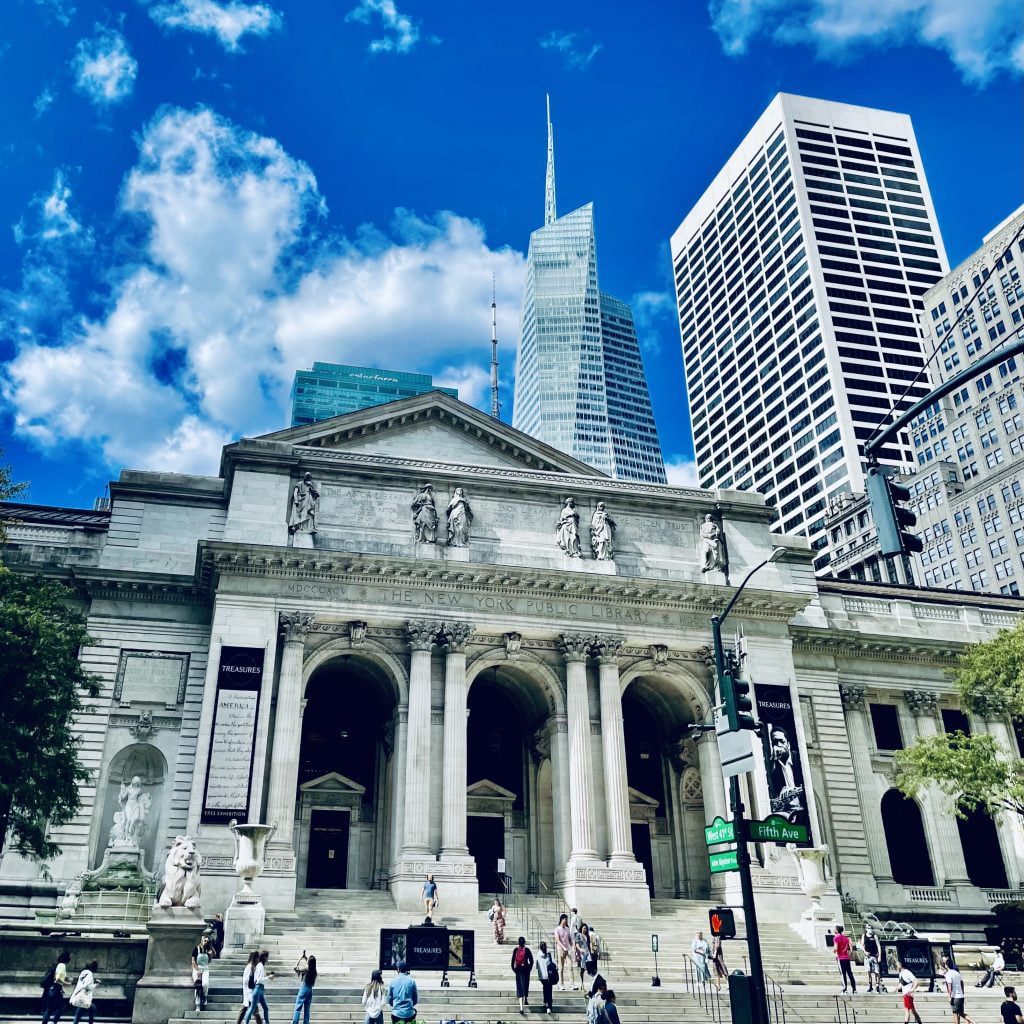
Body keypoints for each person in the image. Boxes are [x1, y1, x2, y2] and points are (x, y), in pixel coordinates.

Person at [41, 949, 72, 1024]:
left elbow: (54, 976)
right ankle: (54, 1022)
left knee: (49, 1009)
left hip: (49, 990)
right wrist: (67, 983)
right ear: (66, 958)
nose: (70, 959)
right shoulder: (62, 965)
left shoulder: (56, 965)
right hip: (55, 990)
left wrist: (66, 979)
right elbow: (58, 979)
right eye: (69, 957)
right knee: (62, 1006)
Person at [942, 957, 973, 1024]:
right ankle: (973, 1022)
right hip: (961, 996)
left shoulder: (948, 974)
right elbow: (962, 983)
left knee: (955, 1013)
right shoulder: (957, 973)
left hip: (955, 996)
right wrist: (962, 992)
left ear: (946, 965)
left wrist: (949, 996)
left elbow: (950, 985)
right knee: (961, 1013)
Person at [244, 952, 272, 1024]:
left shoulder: (260, 965)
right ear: (264, 957)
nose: (268, 958)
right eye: (267, 957)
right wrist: (268, 977)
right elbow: (258, 980)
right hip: (258, 989)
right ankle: (245, 1022)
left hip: (260, 990)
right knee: (252, 1009)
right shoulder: (260, 966)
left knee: (265, 1008)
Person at [192, 932, 216, 1009]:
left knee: (205, 984)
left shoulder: (208, 950)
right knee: (198, 986)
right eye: (205, 940)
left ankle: (204, 997)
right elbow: (193, 962)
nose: (206, 942)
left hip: (205, 968)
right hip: (198, 968)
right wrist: (197, 970)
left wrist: (211, 947)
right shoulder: (196, 949)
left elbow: (211, 958)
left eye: (207, 941)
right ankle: (197, 1004)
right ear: (202, 940)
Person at [291, 953, 317, 1024]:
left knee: (298, 1007)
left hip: (304, 988)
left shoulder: (306, 969)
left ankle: (295, 1022)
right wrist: (306, 958)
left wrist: (300, 958)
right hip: (310, 990)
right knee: (307, 1009)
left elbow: (295, 968)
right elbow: (310, 965)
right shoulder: (314, 971)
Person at [238, 952, 263, 1024]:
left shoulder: (252, 967)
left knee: (246, 1009)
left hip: (250, 991)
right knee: (254, 1010)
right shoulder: (249, 967)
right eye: (257, 958)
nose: (258, 960)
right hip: (249, 991)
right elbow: (246, 980)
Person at [512, 936, 534, 1014]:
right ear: (524, 942)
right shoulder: (527, 950)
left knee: (519, 986)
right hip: (525, 970)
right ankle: (526, 999)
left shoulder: (515, 950)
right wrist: (529, 969)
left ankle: (521, 1006)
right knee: (526, 984)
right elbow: (531, 960)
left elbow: (512, 961)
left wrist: (514, 970)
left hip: (518, 970)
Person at [897, 959, 922, 1024]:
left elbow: (915, 981)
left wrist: (912, 989)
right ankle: (919, 1021)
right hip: (905, 994)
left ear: (901, 964)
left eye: (897, 964)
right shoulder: (900, 973)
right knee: (912, 1010)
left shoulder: (907, 972)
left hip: (908, 994)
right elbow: (902, 984)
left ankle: (906, 1022)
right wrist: (897, 988)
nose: (896, 965)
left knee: (907, 1009)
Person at [833, 925, 856, 994]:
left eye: (834, 929)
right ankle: (854, 989)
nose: (834, 930)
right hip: (847, 958)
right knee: (849, 973)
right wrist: (850, 955)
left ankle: (844, 989)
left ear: (837, 930)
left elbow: (836, 948)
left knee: (843, 974)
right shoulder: (846, 938)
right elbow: (851, 948)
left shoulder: (836, 938)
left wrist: (834, 951)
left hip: (840, 958)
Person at [536, 940, 556, 1014]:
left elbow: (537, 967)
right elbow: (553, 964)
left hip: (543, 976)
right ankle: (548, 1006)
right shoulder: (549, 955)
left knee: (546, 989)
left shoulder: (538, 956)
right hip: (548, 976)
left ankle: (546, 1002)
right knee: (549, 990)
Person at [862, 926, 881, 993]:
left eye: (871, 928)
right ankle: (870, 986)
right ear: (866, 929)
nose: (870, 929)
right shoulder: (863, 936)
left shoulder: (874, 936)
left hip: (874, 955)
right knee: (869, 972)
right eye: (868, 928)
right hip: (867, 956)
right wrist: (865, 952)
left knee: (877, 972)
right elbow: (862, 945)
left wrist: (879, 956)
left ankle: (877, 985)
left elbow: (878, 946)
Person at [575, 924, 594, 989]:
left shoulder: (587, 936)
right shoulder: (578, 935)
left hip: (587, 952)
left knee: (590, 966)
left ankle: (591, 982)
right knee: (582, 968)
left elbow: (589, 943)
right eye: (584, 928)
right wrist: (580, 949)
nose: (585, 930)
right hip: (582, 952)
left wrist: (591, 950)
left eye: (586, 928)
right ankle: (582, 983)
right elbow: (577, 944)